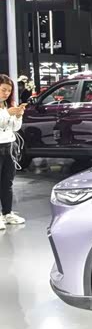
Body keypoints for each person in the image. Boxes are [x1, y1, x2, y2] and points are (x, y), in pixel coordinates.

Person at [0, 75, 26, 228]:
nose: (6, 93)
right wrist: (8, 114)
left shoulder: (8, 105)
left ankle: (7, 213)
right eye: (3, 89)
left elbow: (15, 127)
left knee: (7, 182)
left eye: (9, 91)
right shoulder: (6, 109)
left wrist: (18, 116)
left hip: (9, 146)